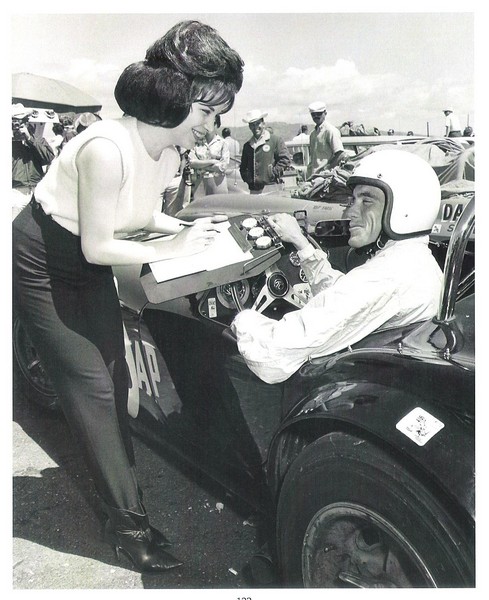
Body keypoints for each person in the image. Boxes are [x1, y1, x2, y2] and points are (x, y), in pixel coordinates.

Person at [13, 19, 244, 573]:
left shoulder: (167, 152)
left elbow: (142, 219)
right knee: (91, 388)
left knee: (115, 379)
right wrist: (178, 245)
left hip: (91, 257)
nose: (213, 129)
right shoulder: (105, 147)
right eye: (208, 112)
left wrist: (199, 239)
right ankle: (128, 528)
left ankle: (123, 499)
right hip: (45, 259)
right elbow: (97, 246)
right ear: (172, 94)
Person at [231, 149, 443, 384]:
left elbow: (275, 353)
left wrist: (240, 318)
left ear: (404, 208)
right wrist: (302, 244)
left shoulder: (389, 275)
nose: (350, 212)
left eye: (367, 201)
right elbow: (345, 296)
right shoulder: (414, 260)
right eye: (353, 200)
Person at [12, 103, 55, 220]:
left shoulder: (37, 139)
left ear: (27, 122)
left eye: (21, 121)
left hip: (37, 190)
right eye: (13, 121)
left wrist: (30, 139)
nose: (17, 125)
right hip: (15, 192)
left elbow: (49, 158)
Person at [239, 110, 290, 194]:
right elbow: (243, 167)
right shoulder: (247, 146)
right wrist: (247, 177)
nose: (255, 127)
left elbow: (285, 159)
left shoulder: (275, 140)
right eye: (252, 125)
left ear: (263, 124)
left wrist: (273, 173)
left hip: (271, 188)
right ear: (249, 127)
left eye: (257, 123)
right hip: (253, 190)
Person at [188, 114, 229, 197]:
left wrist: (200, 165)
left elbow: (223, 166)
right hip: (200, 184)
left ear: (216, 124)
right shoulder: (196, 142)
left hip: (218, 183)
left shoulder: (222, 143)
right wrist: (212, 161)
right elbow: (191, 162)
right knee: (199, 208)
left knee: (217, 208)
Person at [306, 101, 346, 178]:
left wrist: (327, 168)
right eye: (313, 114)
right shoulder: (313, 134)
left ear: (325, 113)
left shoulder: (331, 131)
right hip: (314, 176)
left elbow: (340, 154)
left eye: (319, 114)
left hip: (326, 177)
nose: (316, 116)